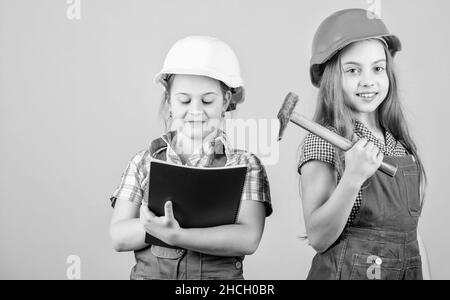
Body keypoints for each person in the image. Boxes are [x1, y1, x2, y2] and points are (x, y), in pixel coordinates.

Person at [109, 36, 272, 280]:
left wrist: (177, 235)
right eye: (184, 100)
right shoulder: (144, 162)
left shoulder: (245, 166)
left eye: (207, 100)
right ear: (170, 101)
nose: (195, 110)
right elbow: (119, 236)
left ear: (226, 101)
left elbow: (247, 239)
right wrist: (150, 225)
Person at [298, 8, 431, 280]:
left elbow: (411, 234)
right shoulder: (323, 140)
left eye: (378, 68)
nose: (368, 81)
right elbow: (318, 237)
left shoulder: (398, 144)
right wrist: (353, 177)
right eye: (353, 70)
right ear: (329, 76)